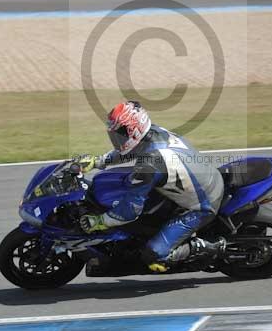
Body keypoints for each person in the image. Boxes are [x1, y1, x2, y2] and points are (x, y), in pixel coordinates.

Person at [79, 100, 225, 272]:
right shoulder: (153, 132)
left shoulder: (150, 164)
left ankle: (212, 246)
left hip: (203, 204)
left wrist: (100, 221)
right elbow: (129, 150)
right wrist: (99, 161)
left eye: (121, 133)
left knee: (154, 255)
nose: (117, 138)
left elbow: (129, 212)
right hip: (200, 180)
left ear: (135, 130)